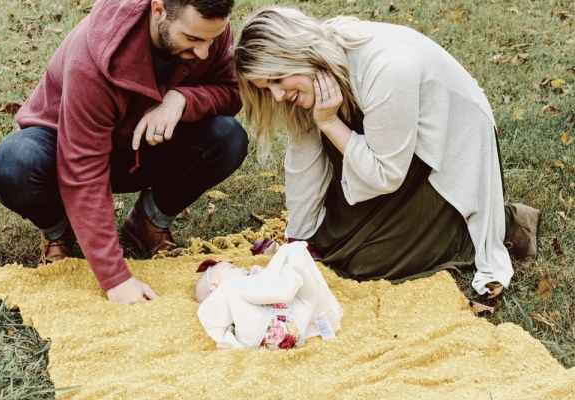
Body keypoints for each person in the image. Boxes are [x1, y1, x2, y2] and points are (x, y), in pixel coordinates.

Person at [232, 7, 541, 297]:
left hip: (443, 155)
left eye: (276, 79)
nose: (276, 94)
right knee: (329, 245)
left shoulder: (387, 66)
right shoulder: (314, 74)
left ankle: (501, 225)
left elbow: (386, 175)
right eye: (265, 88)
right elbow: (304, 160)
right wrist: (297, 242)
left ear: (296, 52)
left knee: (368, 263)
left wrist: (328, 122)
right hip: (388, 151)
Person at [0, 0, 248, 304]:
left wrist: (182, 99)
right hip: (63, 150)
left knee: (228, 136)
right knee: (15, 162)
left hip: (139, 147)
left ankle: (148, 223)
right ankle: (59, 230)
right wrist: (115, 278)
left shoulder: (207, 26)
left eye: (212, 40)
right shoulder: (92, 57)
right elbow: (82, 167)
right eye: (192, 40)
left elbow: (231, 92)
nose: (204, 51)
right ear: (159, 10)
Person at [195, 241, 343, 349]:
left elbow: (266, 297)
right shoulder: (231, 287)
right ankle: (294, 272)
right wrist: (269, 274)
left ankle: (293, 274)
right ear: (215, 286)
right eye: (232, 267)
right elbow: (280, 294)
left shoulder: (236, 302)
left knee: (302, 299)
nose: (242, 267)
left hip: (258, 338)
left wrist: (264, 275)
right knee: (294, 261)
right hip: (292, 328)